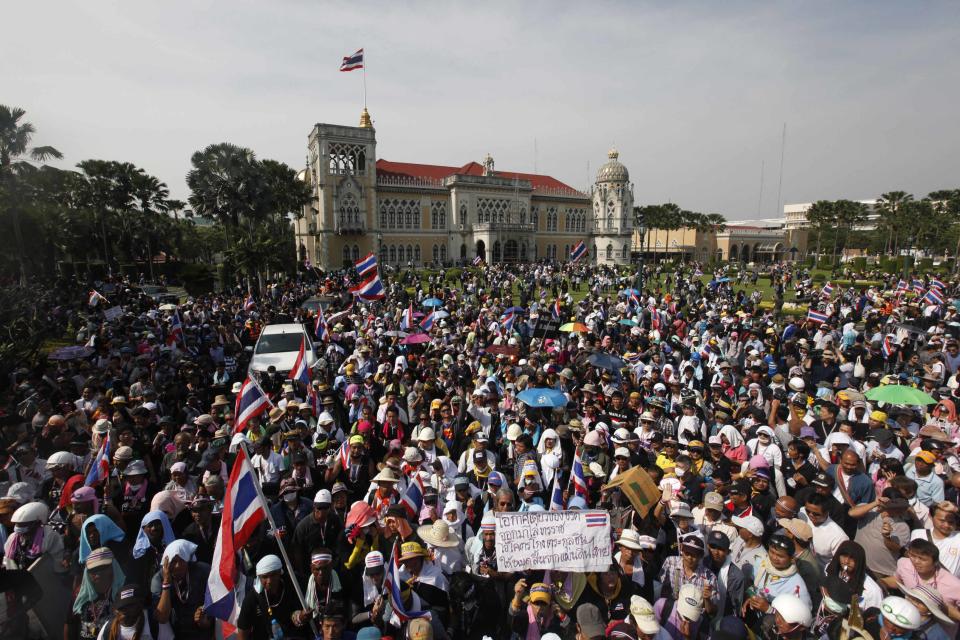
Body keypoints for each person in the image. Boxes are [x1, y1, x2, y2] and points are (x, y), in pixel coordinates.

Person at [237, 554, 311, 640]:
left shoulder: (295, 584)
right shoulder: (252, 598)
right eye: (264, 577)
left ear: (280, 572)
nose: (269, 581)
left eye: (273, 575)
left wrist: (301, 617)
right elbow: (243, 631)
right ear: (259, 577)